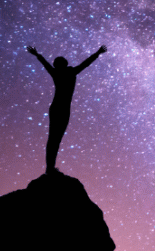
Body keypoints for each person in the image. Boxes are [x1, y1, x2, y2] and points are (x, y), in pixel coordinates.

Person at [27, 44, 107, 173]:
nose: (56, 65)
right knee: (55, 139)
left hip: (59, 108)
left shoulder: (60, 72)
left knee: (54, 139)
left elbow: (47, 64)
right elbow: (85, 63)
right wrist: (98, 53)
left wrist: (37, 55)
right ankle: (50, 168)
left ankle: (50, 168)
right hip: (61, 109)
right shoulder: (70, 72)